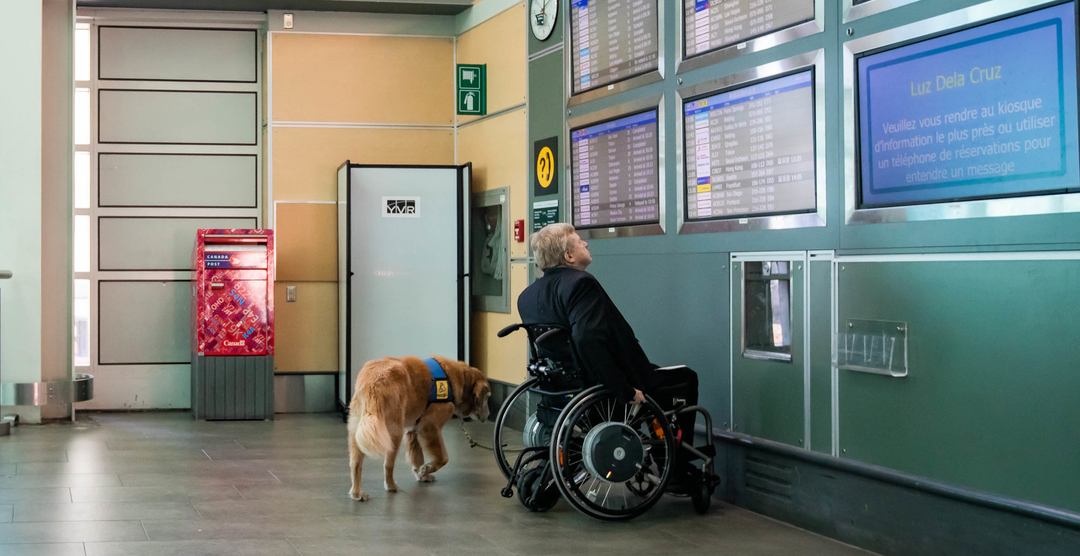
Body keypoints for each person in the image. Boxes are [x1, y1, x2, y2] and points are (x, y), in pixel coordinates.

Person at [517, 223, 701, 485]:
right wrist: (624, 389)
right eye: (580, 242)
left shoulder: (528, 295)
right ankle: (674, 468)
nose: (586, 244)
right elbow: (588, 341)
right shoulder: (581, 284)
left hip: (560, 387)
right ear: (568, 256)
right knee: (685, 379)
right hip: (604, 383)